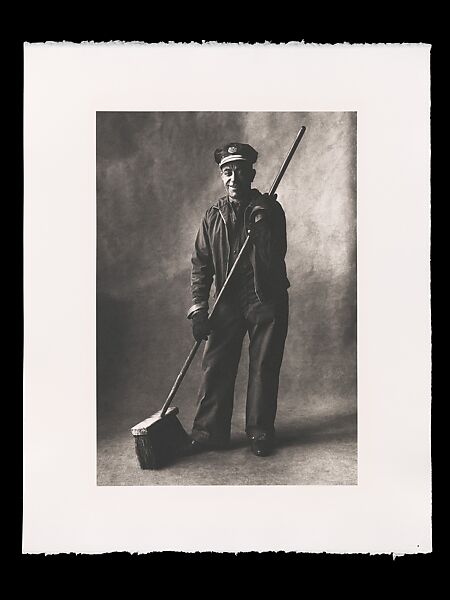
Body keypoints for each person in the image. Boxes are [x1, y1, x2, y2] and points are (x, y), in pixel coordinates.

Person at [186, 142, 290, 457]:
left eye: (239, 171)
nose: (233, 178)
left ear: (251, 173)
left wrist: (263, 229)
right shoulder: (212, 216)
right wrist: (199, 308)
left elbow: (276, 258)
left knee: (263, 367)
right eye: (227, 172)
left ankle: (260, 433)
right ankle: (208, 433)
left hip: (265, 298)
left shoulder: (269, 210)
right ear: (222, 176)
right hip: (226, 302)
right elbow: (201, 264)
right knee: (215, 365)